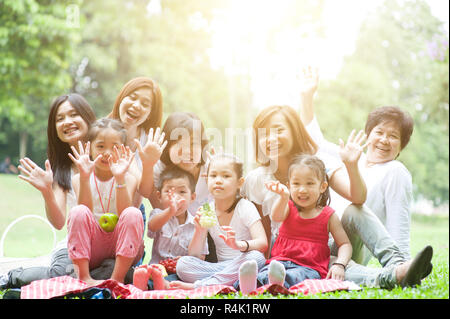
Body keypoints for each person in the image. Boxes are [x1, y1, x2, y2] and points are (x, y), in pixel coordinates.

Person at [0, 93, 96, 289]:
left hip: (104, 245)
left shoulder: (106, 156)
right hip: (75, 246)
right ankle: (12, 277)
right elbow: (59, 222)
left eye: (73, 114)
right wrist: (46, 191)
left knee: (115, 273)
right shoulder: (62, 170)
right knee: (63, 272)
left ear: (87, 117)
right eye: (59, 119)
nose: (67, 122)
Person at [151, 153, 268, 290]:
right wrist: (199, 231)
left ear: (239, 183)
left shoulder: (245, 206)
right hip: (222, 268)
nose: (218, 180)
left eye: (226, 176)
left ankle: (200, 285)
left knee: (255, 258)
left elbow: (262, 243)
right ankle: (231, 279)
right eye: (213, 176)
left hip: (243, 261)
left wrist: (237, 244)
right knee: (183, 264)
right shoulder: (207, 209)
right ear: (207, 180)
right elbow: (195, 256)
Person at [238, 154, 352, 293]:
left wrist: (340, 264)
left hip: (308, 268)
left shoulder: (329, 215)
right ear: (289, 186)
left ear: (322, 187)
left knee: (295, 276)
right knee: (265, 272)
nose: (302, 189)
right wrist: (284, 196)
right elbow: (276, 216)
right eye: (296, 184)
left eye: (309, 183)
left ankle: (276, 284)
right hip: (279, 262)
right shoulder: (288, 206)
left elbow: (344, 244)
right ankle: (251, 284)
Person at [67, 118, 144, 285]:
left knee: (133, 213)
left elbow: (125, 214)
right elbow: (84, 213)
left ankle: (117, 278)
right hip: (92, 246)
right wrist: (86, 178)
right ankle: (84, 277)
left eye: (114, 147)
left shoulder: (129, 179)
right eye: (100, 146)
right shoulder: (79, 178)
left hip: (121, 246)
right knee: (77, 212)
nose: (107, 152)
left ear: (123, 150)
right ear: (90, 148)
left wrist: (120, 179)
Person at [132, 166, 208, 290]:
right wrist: (170, 211)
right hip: (157, 269)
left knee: (180, 279)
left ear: (192, 197)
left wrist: (184, 260)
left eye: (182, 192)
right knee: (149, 275)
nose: (176, 198)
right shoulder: (158, 214)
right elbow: (152, 226)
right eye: (169, 192)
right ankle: (148, 284)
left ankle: (157, 286)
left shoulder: (197, 223)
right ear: (159, 196)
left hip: (180, 272)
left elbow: (200, 257)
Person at [141, 112, 213, 216]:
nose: (187, 152)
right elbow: (145, 193)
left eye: (193, 144)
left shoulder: (211, 168)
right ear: (168, 146)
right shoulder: (160, 168)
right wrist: (147, 165)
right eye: (180, 144)